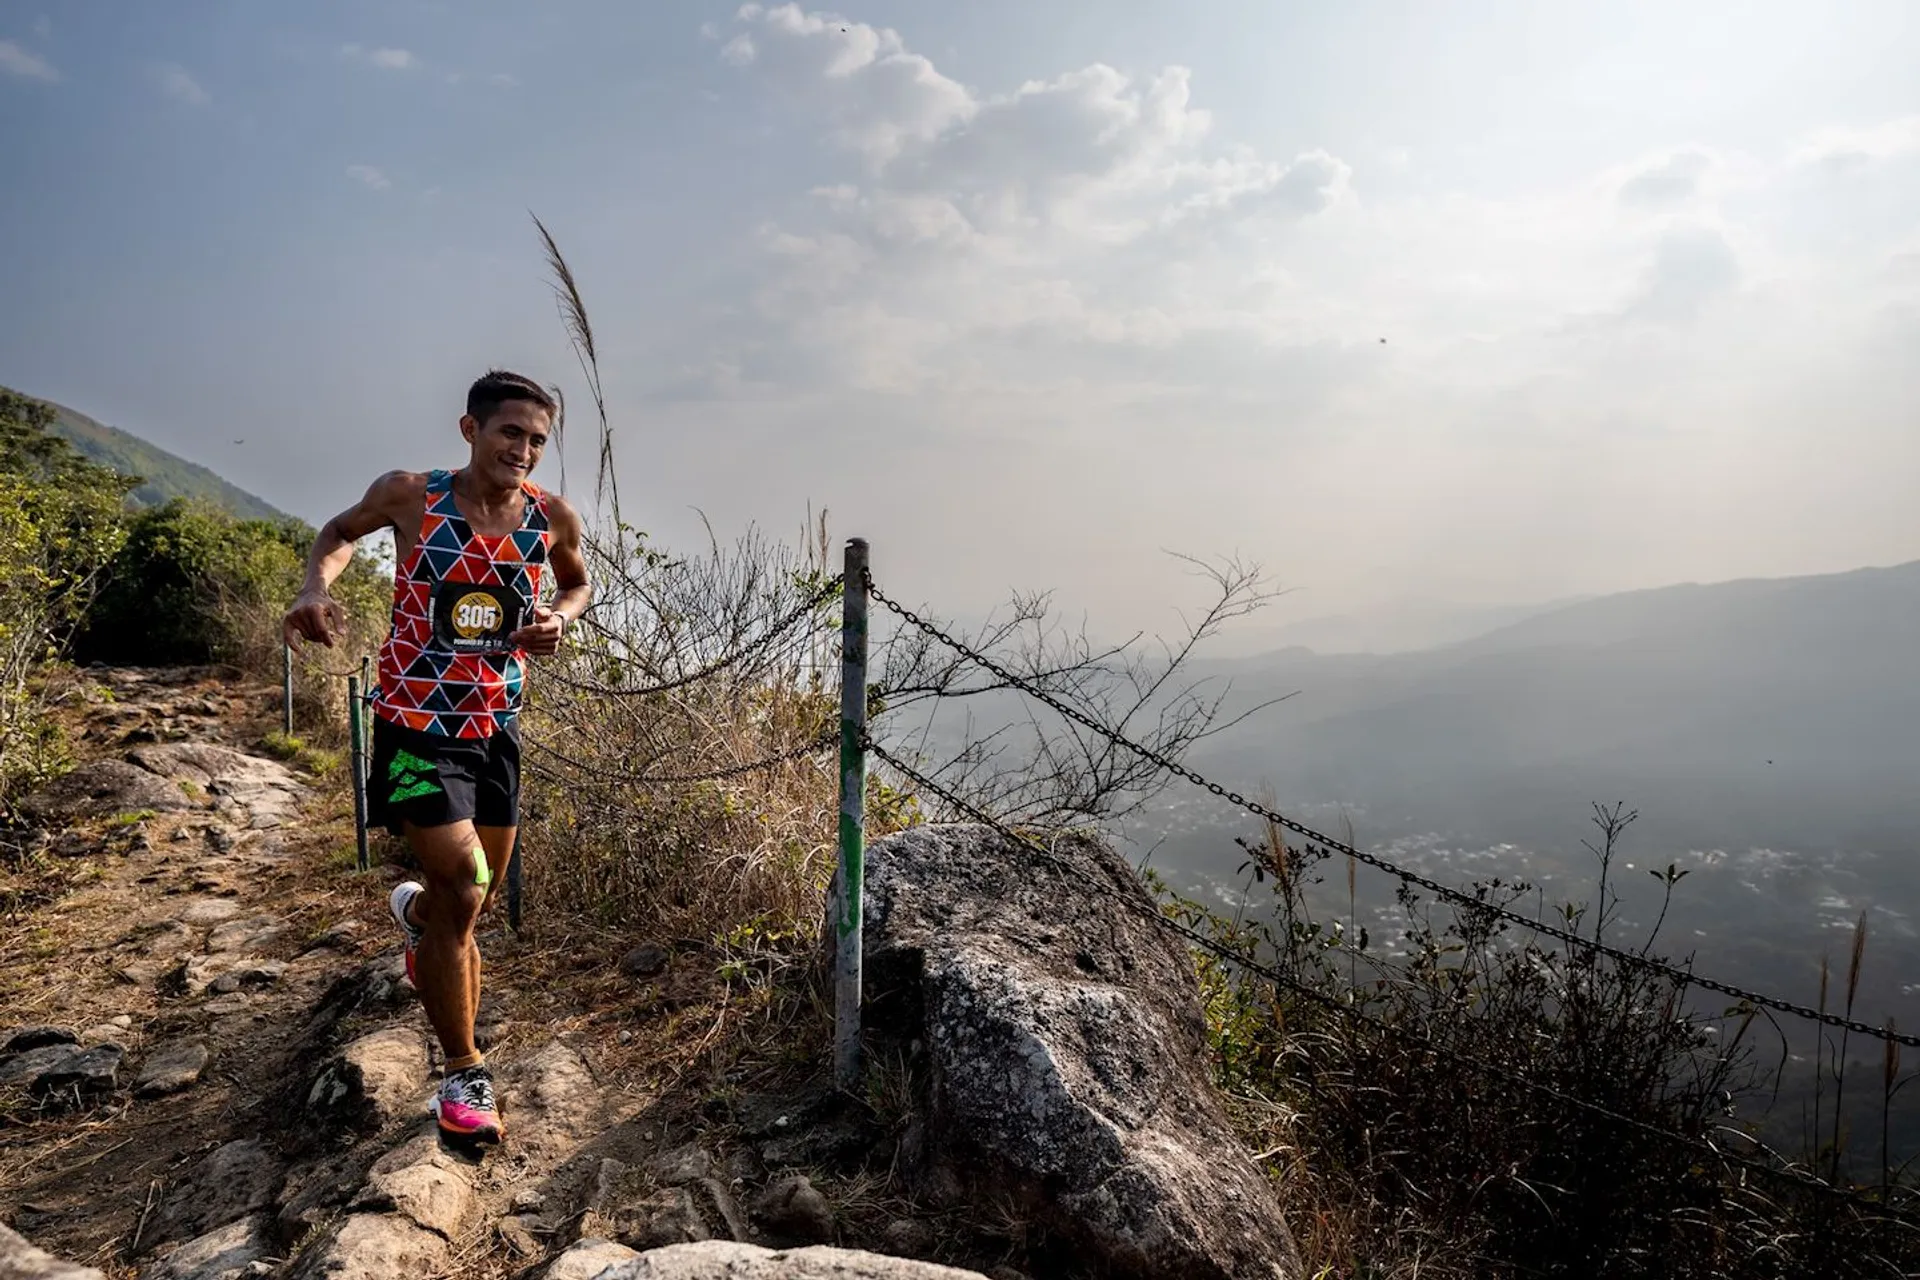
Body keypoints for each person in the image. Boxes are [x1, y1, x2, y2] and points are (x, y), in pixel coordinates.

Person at [282, 370, 591, 1146]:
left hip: (496, 726)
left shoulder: (549, 516)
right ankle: (463, 1073)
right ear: (470, 430)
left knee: (465, 905)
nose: (521, 449)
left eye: (535, 439)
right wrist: (315, 588)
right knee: (465, 880)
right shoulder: (413, 495)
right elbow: (338, 534)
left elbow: (579, 582)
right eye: (508, 432)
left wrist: (557, 616)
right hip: (415, 726)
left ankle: (418, 921)